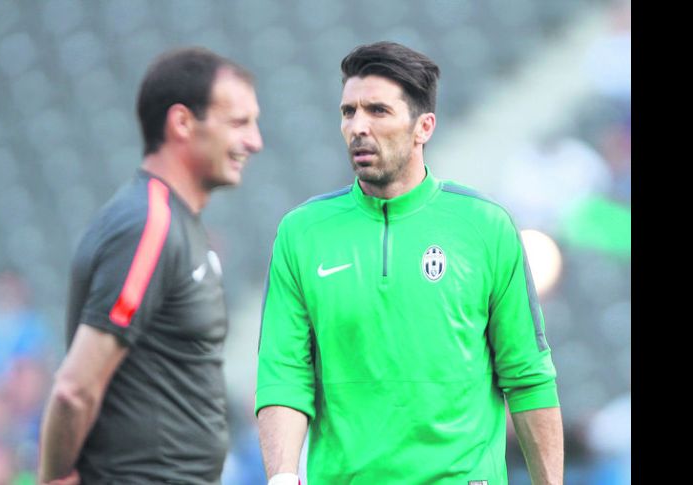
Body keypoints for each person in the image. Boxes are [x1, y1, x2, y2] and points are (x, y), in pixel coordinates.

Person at [255, 41, 563, 485]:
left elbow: (528, 377)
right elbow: (284, 374)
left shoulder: (485, 226)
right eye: (348, 112)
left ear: (423, 127)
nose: (358, 126)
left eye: (377, 111)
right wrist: (282, 476)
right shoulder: (302, 232)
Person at [38, 46, 263, 485]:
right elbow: (73, 388)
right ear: (181, 123)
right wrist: (52, 478)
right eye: (238, 123)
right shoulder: (150, 225)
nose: (255, 141)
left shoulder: (178, 224)